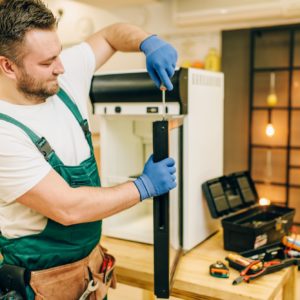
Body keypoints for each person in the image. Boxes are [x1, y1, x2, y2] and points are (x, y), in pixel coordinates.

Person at [0, 0, 178, 299]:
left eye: (58, 54)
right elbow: (68, 208)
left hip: (91, 273)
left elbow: (110, 35)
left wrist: (146, 41)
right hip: (42, 286)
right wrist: (143, 186)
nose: (60, 68)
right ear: (8, 66)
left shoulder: (62, 79)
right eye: (46, 62)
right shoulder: (5, 133)